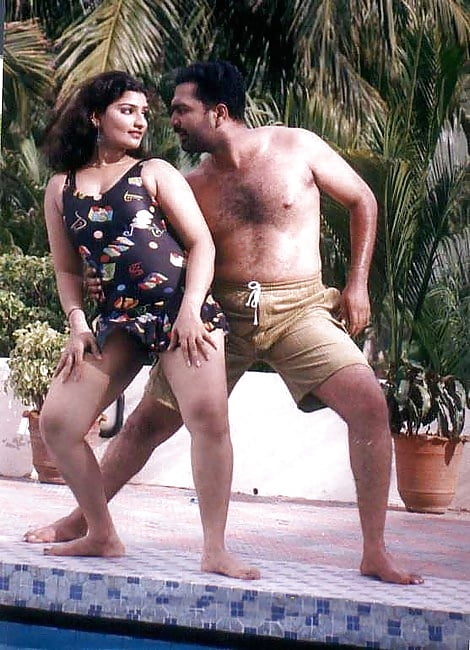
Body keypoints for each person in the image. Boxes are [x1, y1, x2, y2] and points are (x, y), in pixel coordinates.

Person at [26, 62, 423, 585]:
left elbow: (361, 199)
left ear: (218, 112)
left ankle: (374, 550)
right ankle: (86, 522)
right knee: (145, 425)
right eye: (157, 111)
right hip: (219, 309)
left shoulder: (296, 147)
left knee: (368, 404)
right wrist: (95, 287)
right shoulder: (188, 182)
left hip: (297, 308)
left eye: (181, 110)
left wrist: (357, 284)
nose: (169, 121)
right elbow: (140, 246)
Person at [33, 69, 259, 578]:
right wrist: (77, 323)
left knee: (208, 420)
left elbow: (201, 243)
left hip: (181, 311)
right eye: (127, 110)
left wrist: (191, 310)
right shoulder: (61, 188)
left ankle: (215, 549)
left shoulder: (154, 172)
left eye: (143, 113)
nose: (140, 121)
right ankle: (101, 533)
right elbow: (67, 269)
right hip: (118, 319)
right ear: (96, 116)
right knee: (58, 422)